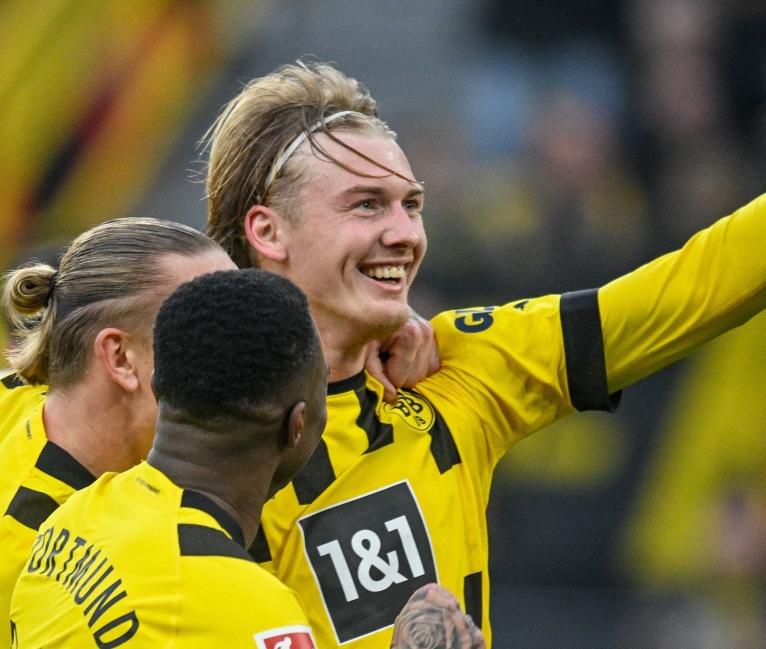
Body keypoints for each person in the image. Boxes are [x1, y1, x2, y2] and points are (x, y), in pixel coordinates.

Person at [202, 43, 766, 648]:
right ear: (268, 231)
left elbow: (698, 285)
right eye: (366, 206)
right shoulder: (183, 438)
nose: (403, 234)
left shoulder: (464, 367)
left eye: (412, 204)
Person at [0, 218, 439, 645]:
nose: (235, 334)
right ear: (119, 358)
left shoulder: (34, 404)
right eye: (196, 322)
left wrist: (374, 325)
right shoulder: (19, 547)